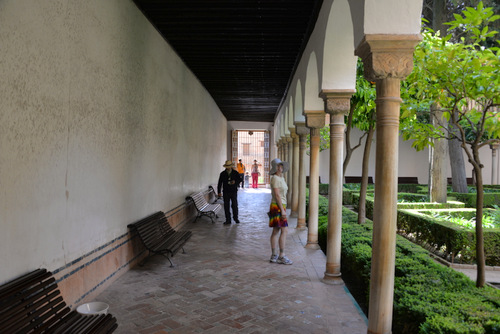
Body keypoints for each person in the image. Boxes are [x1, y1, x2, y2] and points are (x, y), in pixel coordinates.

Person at [268, 158, 292, 265]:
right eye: (278, 166)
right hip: (278, 206)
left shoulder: (281, 178)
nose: (280, 167)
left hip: (280, 206)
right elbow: (277, 195)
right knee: (284, 230)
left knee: (276, 231)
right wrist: (282, 210)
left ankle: (274, 255)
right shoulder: (275, 179)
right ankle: (281, 256)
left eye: (281, 165)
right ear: (275, 168)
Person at [217, 160, 242, 224]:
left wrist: (235, 182)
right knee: (226, 206)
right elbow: (219, 183)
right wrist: (219, 192)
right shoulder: (222, 174)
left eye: (229, 166)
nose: (228, 167)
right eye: (227, 166)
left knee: (234, 205)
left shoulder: (235, 173)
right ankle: (228, 219)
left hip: (233, 191)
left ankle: (235, 218)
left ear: (231, 166)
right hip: (226, 192)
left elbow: (239, 180)